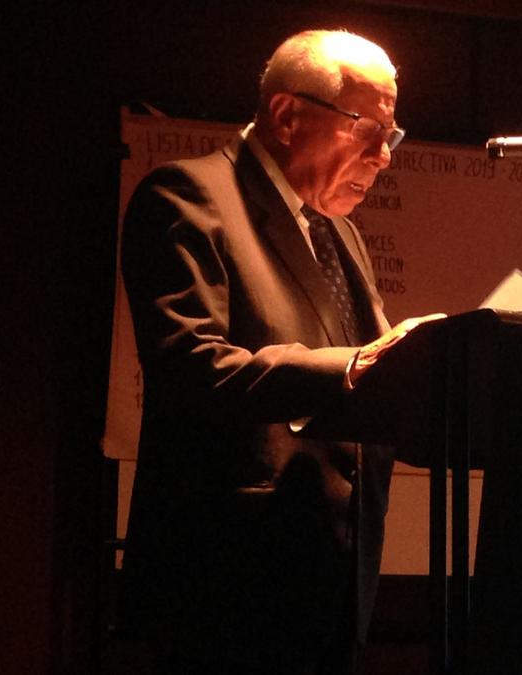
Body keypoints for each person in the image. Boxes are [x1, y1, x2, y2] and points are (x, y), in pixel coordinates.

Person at [119, 29, 440, 674]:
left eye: (392, 135)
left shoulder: (340, 233)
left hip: (334, 584)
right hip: (226, 589)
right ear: (287, 116)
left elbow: (369, 389)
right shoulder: (188, 197)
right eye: (367, 129)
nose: (383, 156)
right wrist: (356, 365)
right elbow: (192, 366)